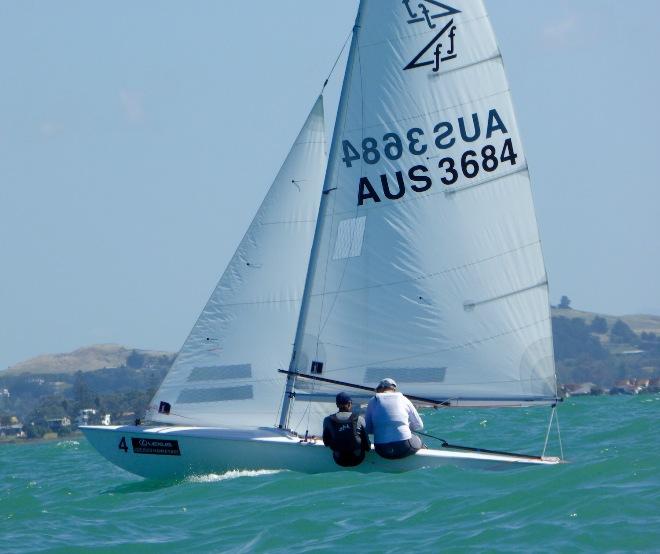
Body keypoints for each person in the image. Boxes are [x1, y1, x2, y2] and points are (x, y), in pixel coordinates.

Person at [365, 378, 424, 459]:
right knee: (418, 439)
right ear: (394, 389)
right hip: (405, 448)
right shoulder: (404, 399)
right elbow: (419, 426)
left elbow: (368, 429)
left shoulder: (373, 401)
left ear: (380, 388)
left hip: (382, 450)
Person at [322, 392, 371, 467]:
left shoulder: (327, 420)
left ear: (337, 404)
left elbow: (326, 443)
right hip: (357, 459)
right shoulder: (359, 419)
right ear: (350, 403)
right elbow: (367, 444)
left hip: (339, 459)